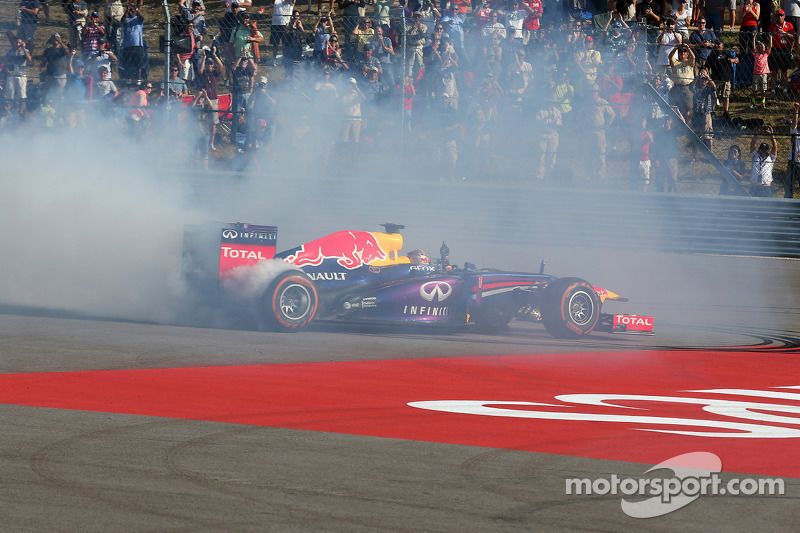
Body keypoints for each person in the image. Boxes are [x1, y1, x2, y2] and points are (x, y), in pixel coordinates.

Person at [769, 9, 794, 96]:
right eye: (777, 15)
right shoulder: (773, 25)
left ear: (784, 16)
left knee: (784, 71)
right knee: (774, 71)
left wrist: (785, 33)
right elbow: (769, 36)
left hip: (785, 49)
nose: (779, 17)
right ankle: (773, 90)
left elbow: (793, 36)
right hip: (775, 49)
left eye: (781, 15)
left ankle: (784, 90)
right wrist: (775, 32)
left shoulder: (789, 25)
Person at [749, 126, 778, 196]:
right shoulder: (755, 156)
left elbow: (775, 147)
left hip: (766, 186)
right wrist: (756, 133)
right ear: (759, 150)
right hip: (755, 186)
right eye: (762, 150)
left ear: (768, 151)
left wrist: (772, 135)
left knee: (767, 202)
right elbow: (752, 144)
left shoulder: (771, 158)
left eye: (765, 150)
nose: (763, 151)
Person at [751, 38, 771, 108]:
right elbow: (753, 46)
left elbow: (770, 46)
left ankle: (763, 103)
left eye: (763, 46)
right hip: (756, 74)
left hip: (763, 74)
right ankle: (753, 103)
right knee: (754, 90)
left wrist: (770, 38)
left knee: (763, 90)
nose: (762, 47)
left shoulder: (766, 54)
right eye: (760, 46)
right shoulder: (756, 54)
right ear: (758, 48)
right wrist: (754, 37)